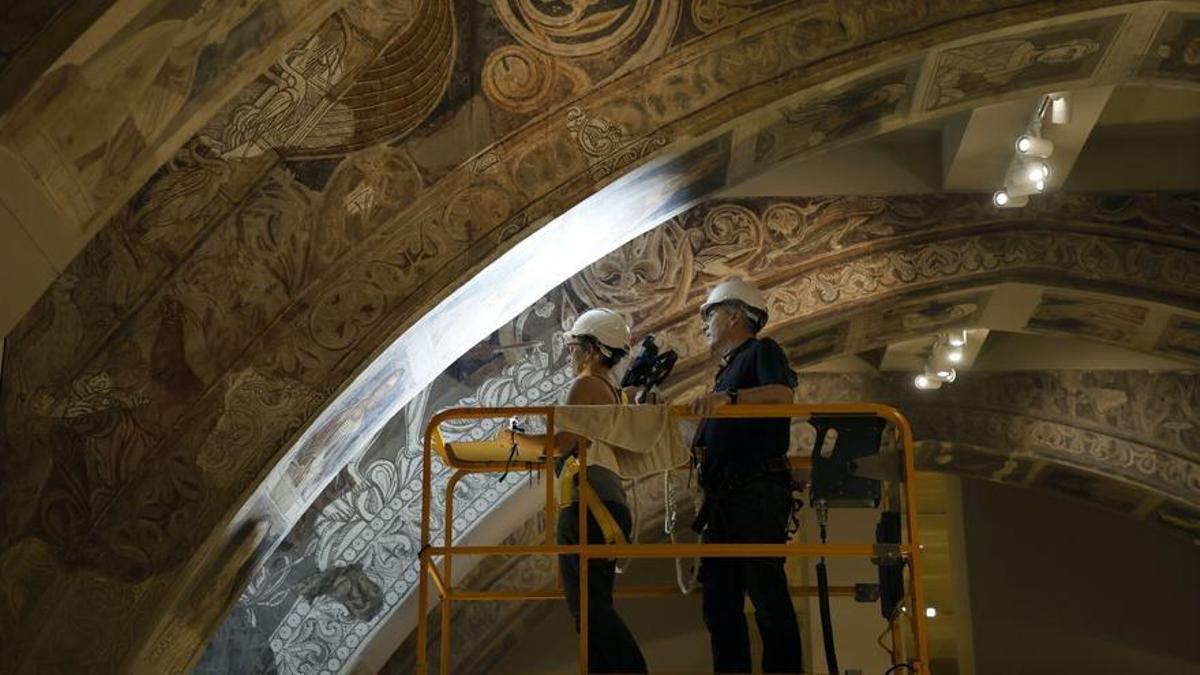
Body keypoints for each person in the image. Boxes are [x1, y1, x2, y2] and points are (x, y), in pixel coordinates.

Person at [500, 308, 648, 673]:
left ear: (594, 350)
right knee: (594, 608)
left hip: (587, 506)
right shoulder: (615, 393)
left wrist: (514, 439)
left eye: (575, 347)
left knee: (588, 609)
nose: (571, 355)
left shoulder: (586, 384)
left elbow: (563, 444)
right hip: (607, 505)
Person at [686, 278, 803, 673]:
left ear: (736, 314)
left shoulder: (761, 351)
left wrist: (730, 398)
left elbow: (782, 396)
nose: (704, 324)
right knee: (719, 605)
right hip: (726, 501)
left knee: (766, 595)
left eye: (710, 314)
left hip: (756, 492)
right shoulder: (725, 373)